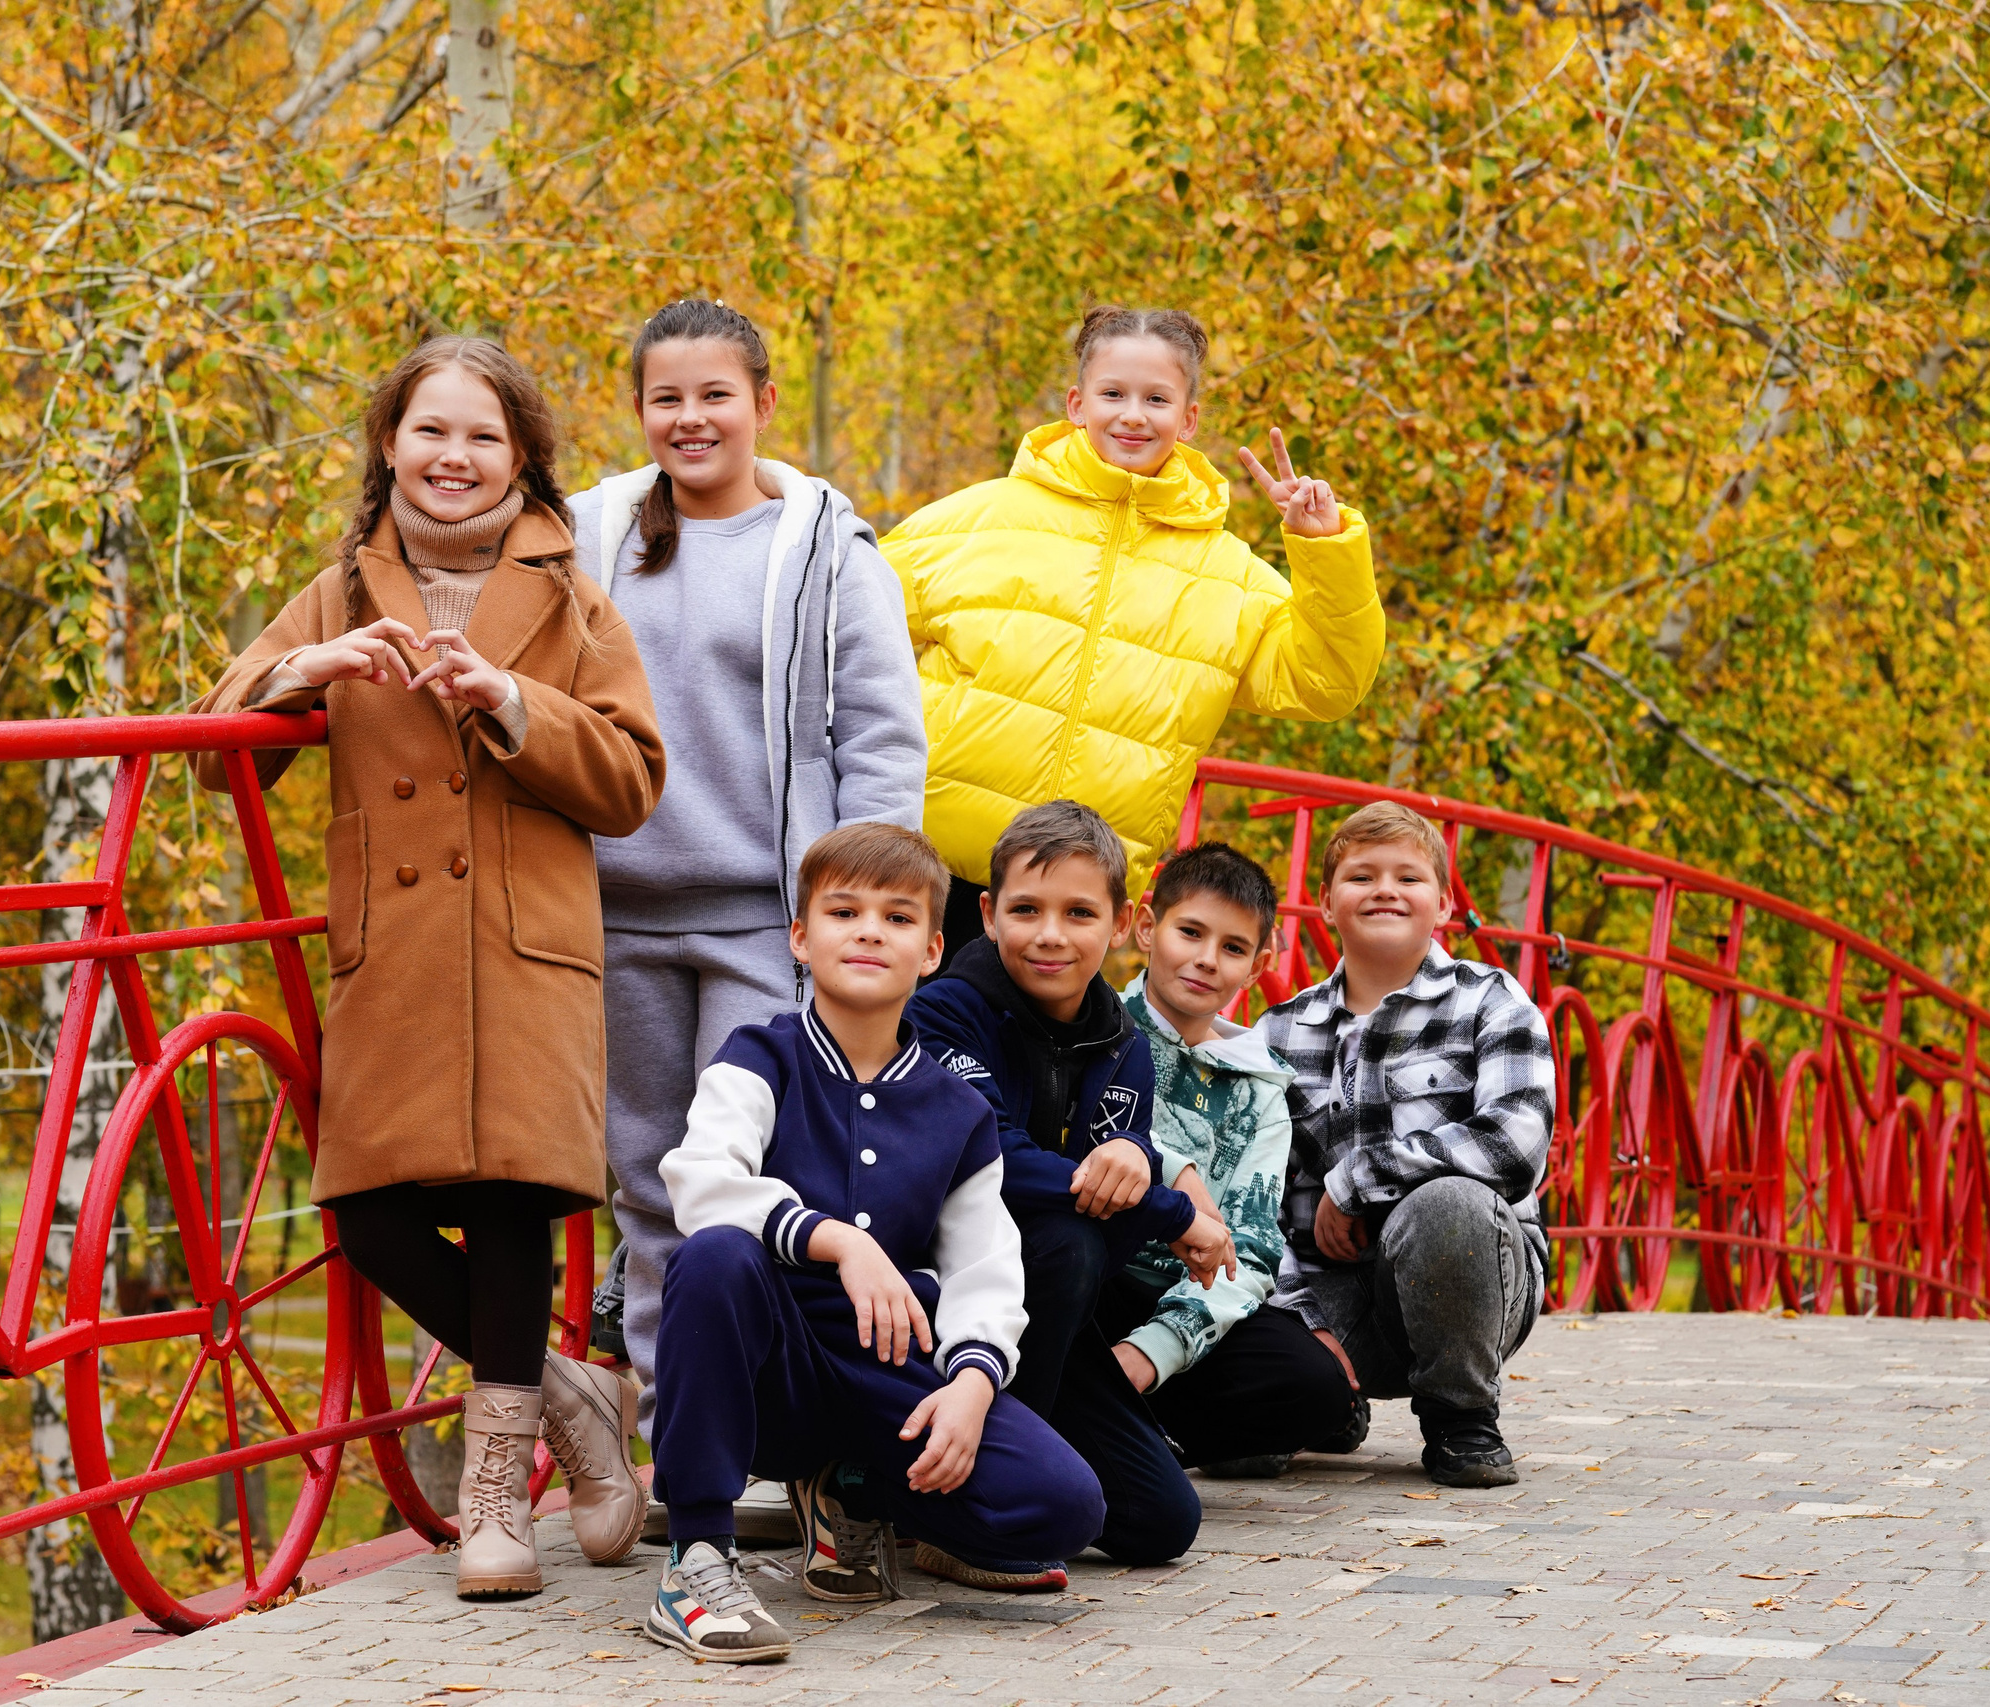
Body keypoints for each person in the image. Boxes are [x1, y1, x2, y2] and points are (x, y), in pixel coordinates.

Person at [196, 337, 666, 1598]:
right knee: (365, 1210)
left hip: (524, 945)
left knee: (512, 1197)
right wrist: (300, 674)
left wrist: (512, 702)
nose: (453, 459)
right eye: (429, 432)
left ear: (522, 458)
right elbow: (212, 742)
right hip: (393, 950)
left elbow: (631, 781)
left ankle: (497, 1493)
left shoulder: (570, 598)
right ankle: (575, 1402)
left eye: (482, 439)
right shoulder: (342, 589)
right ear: (388, 445)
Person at [569, 298, 926, 1437]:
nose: (690, 419)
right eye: (666, 398)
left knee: (761, 1178)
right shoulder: (589, 540)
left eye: (714, 395)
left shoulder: (824, 547)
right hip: (615, 913)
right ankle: (684, 1440)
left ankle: (777, 1426)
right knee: (644, 1182)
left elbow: (879, 737)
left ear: (763, 404)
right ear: (639, 411)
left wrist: (864, 916)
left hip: (764, 919)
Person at [644, 823, 1103, 1662]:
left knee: (1065, 1505)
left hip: (886, 1372)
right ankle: (698, 1556)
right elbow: (700, 1178)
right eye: (843, 910)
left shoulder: (957, 1111)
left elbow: (987, 1265)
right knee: (713, 1255)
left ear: (932, 950)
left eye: (896, 918)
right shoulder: (760, 1055)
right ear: (800, 936)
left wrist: (971, 1379)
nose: (866, 930)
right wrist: (836, 1243)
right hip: (772, 1369)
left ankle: (852, 1489)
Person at [883, 305, 1385, 957]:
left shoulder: (1227, 575)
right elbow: (841, 630)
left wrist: (1325, 550)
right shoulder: (975, 520)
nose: (1132, 414)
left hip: (1076, 899)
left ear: (1189, 417)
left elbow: (1327, 683)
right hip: (926, 873)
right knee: (887, 1055)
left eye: (1156, 398)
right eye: (1113, 393)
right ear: (1076, 402)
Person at [906, 801, 1232, 1587]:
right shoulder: (944, 1011)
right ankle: (959, 1506)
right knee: (1061, 1239)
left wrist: (1134, 1154)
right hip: (944, 1298)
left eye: (1079, 912)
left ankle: (1025, 1467)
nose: (1051, 933)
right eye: (1026, 909)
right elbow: (994, 1164)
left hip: (1053, 1317)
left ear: (1121, 923)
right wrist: (1172, 1206)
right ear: (988, 913)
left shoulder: (1123, 1046)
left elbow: (1113, 1237)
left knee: (1163, 1523)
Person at [1262, 801, 1556, 1488]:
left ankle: (1461, 1415)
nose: (1386, 889)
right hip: (1328, 1290)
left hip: (1473, 1282)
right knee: (1237, 1446)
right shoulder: (1279, 1032)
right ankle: (1325, 1396)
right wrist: (1297, 1322)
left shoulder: (1492, 1001)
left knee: (1448, 1202)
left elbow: (1514, 1146)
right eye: (1361, 876)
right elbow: (1255, 1194)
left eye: (1409, 877)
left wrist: (1357, 1178)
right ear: (1326, 904)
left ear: (1445, 904)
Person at [1105, 842, 1361, 1478]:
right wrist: (1176, 1171)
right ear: (1145, 927)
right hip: (1094, 1274)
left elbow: (1250, 1248)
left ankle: (1134, 1419)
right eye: (1189, 932)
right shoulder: (1098, 1030)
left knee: (1315, 1387)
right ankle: (1119, 1425)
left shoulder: (1260, 1088)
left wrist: (1150, 1351)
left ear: (1258, 964)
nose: (1204, 960)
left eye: (1232, 947)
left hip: (1185, 1297)